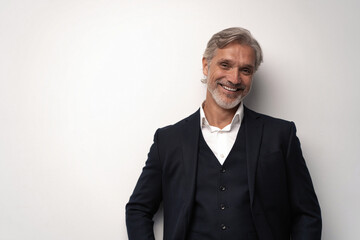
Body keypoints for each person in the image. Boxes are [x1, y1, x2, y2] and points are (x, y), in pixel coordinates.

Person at [126, 27, 321, 240]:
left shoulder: (281, 136)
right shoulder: (168, 140)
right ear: (205, 65)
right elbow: (138, 210)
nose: (234, 78)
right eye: (225, 65)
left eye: (245, 70)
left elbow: (307, 214)